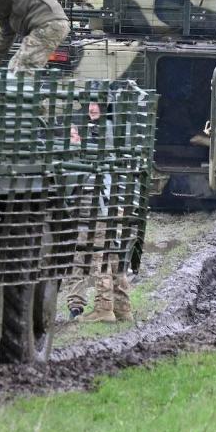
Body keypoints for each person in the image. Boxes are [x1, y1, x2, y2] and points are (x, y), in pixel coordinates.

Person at [65, 99, 134, 323]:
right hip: (117, 202)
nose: (92, 109)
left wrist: (75, 143)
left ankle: (104, 309)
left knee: (100, 255)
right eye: (90, 104)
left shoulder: (107, 131)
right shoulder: (115, 129)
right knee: (114, 257)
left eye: (98, 105)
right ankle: (123, 309)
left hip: (105, 204)